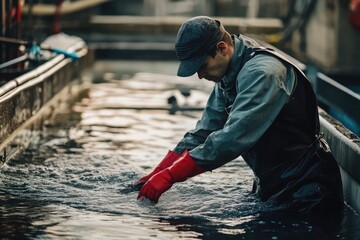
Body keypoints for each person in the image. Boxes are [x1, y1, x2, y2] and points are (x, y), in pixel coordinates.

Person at [134, 16, 344, 214]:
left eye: (202, 66)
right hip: (273, 184)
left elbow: (232, 138)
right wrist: (159, 171)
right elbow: (204, 131)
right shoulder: (228, 73)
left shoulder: (262, 73)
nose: (199, 75)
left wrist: (171, 176)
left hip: (308, 191)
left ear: (222, 48)